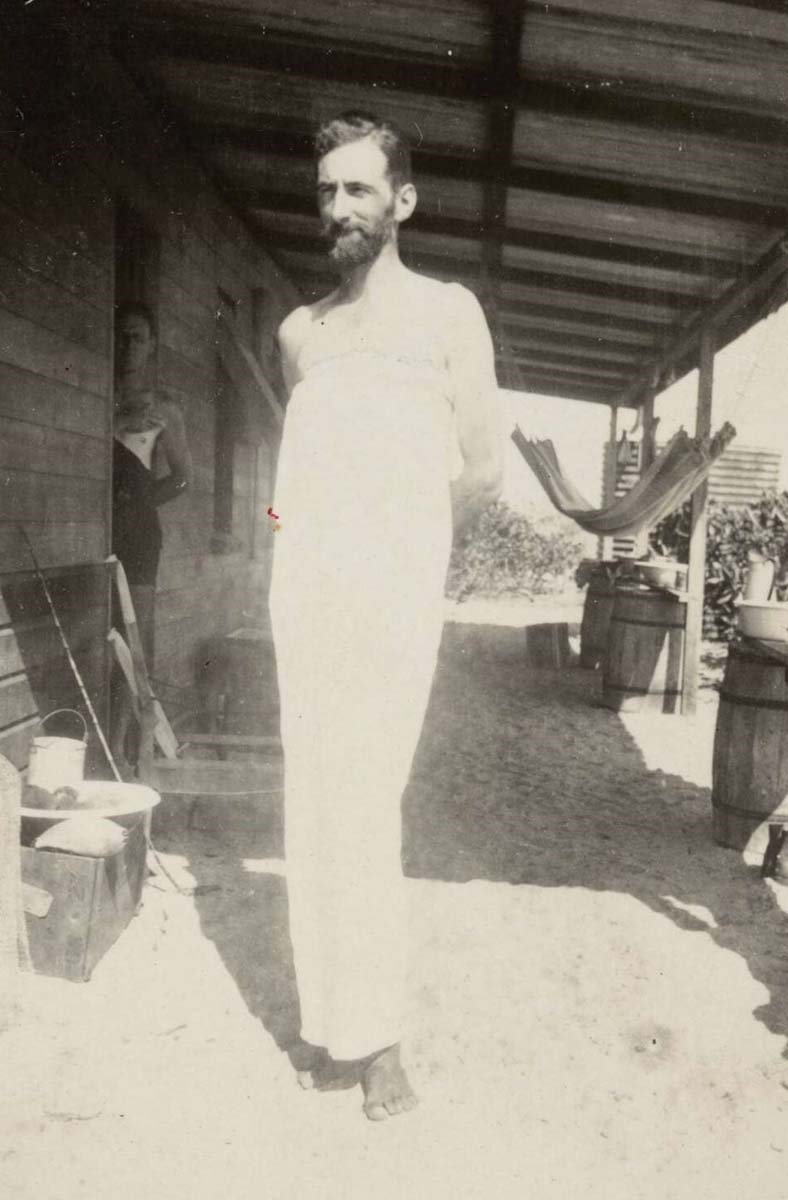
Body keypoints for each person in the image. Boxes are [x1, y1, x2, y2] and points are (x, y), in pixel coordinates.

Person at [268, 111, 503, 1121]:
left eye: (358, 189)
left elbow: (482, 465)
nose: (338, 209)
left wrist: (398, 546)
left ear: (401, 200)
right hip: (303, 593)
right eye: (326, 191)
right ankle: (330, 1025)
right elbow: (292, 481)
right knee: (310, 802)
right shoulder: (299, 333)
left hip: (389, 594)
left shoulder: (448, 314)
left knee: (366, 799)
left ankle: (379, 1041)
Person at [111, 302, 192, 771]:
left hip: (138, 534)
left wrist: (139, 504)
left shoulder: (164, 408)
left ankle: (125, 748)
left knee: (133, 639)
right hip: (96, 527)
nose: (126, 345)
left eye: (137, 337)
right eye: (121, 335)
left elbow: (183, 479)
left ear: (153, 344)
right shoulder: (95, 386)